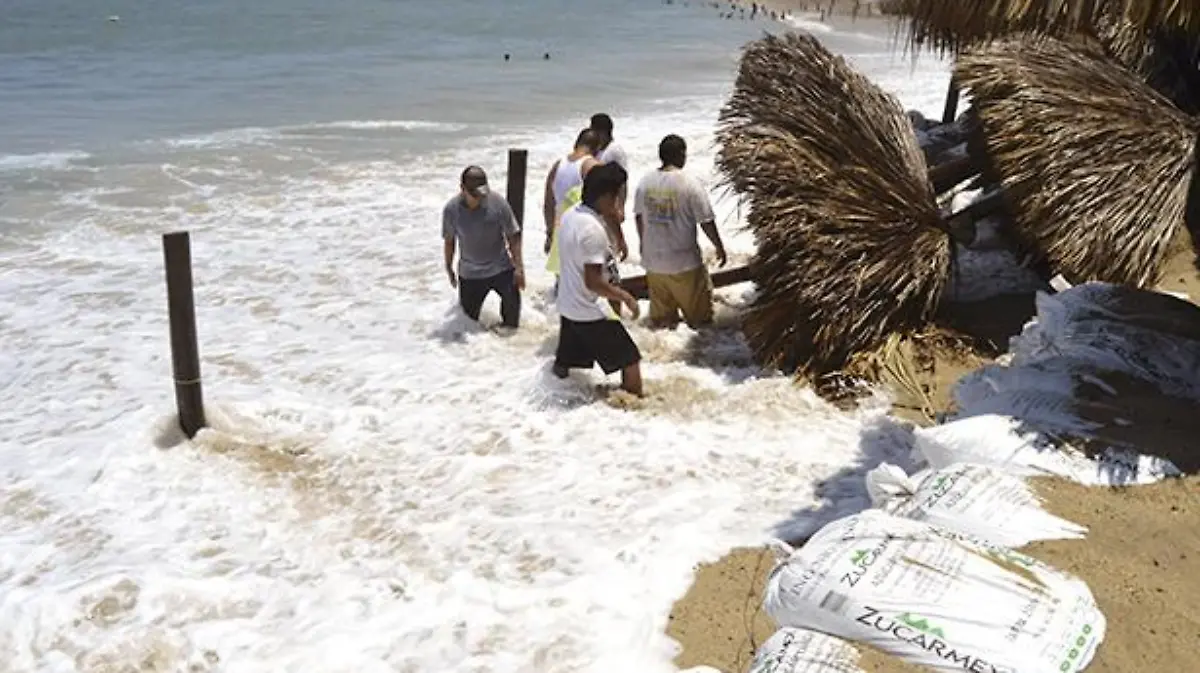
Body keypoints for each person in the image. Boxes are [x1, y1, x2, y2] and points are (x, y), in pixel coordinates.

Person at [552, 163, 643, 396]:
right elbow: (593, 282)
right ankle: (633, 414)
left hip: (567, 305)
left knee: (565, 367)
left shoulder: (571, 214)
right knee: (631, 361)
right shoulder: (593, 231)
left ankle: (551, 402)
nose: (618, 203)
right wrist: (626, 298)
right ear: (605, 197)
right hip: (587, 311)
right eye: (617, 197)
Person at [633, 134, 727, 328]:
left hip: (654, 264)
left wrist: (643, 246)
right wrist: (719, 247)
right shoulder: (689, 183)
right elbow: (706, 221)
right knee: (701, 323)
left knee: (662, 325)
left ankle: (660, 357)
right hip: (684, 264)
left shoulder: (644, 182)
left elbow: (639, 216)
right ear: (681, 154)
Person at [442, 165, 524, 328]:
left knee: (512, 321)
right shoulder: (451, 210)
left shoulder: (498, 203)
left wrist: (519, 268)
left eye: (482, 194)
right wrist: (449, 268)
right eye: (474, 195)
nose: (479, 198)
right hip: (470, 275)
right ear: (462, 189)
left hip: (501, 269)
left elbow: (513, 236)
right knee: (468, 326)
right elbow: (450, 241)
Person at [543, 129, 603, 276]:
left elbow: (548, 203)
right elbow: (604, 203)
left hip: (560, 231)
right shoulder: (592, 165)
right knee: (587, 284)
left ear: (576, 143)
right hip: (583, 233)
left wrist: (550, 233)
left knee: (563, 281)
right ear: (597, 148)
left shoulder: (558, 165)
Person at [588, 113, 631, 261]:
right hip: (598, 208)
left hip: (609, 206)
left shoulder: (615, 151)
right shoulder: (599, 151)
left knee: (609, 248)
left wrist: (621, 206)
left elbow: (622, 181)